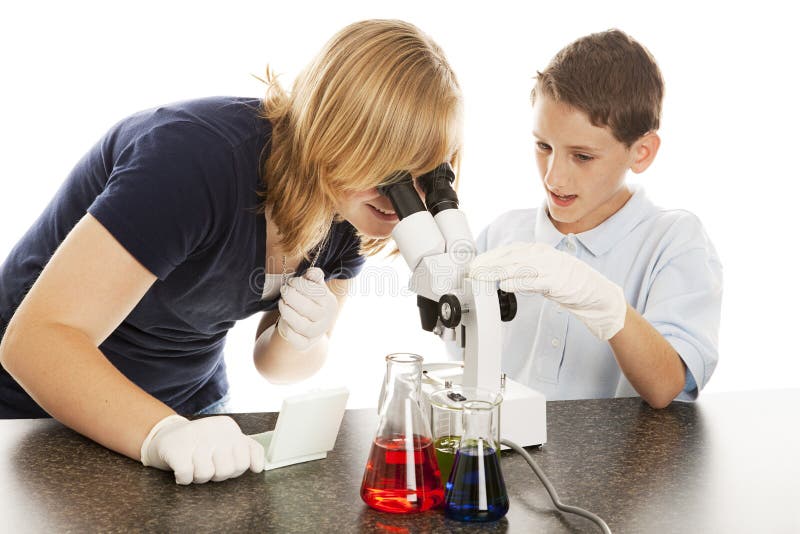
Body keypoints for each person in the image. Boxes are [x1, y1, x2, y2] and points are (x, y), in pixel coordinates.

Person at [0, 19, 463, 484]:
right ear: (335, 133)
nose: (402, 198)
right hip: (40, 411)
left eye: (425, 174)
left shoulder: (349, 213)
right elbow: (34, 342)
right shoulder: (192, 161)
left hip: (189, 413)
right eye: (389, 169)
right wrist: (160, 433)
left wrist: (302, 337)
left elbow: (273, 365)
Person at [468, 29, 722, 409]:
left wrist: (602, 301)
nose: (554, 177)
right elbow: (463, 360)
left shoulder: (674, 241)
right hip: (506, 443)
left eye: (582, 156)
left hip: (617, 450)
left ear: (641, 152)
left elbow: (666, 385)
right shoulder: (503, 234)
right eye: (543, 146)